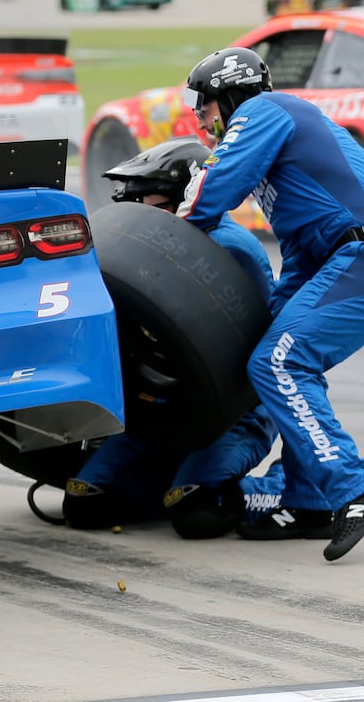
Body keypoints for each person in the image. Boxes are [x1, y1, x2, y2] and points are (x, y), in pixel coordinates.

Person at [177, 47, 364, 561]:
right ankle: (311, 501)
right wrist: (269, 321)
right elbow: (301, 254)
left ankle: (357, 489)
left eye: (204, 104)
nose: (201, 117)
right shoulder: (279, 151)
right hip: (361, 254)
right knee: (279, 356)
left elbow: (210, 194)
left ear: (229, 94)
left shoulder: (263, 111)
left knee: (280, 361)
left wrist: (166, 236)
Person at [63, 137, 283, 539]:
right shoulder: (135, 255)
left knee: (196, 513)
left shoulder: (231, 247)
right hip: (163, 407)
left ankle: (286, 489)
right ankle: (167, 484)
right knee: (84, 501)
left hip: (235, 411)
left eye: (150, 202)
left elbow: (254, 346)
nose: (141, 216)